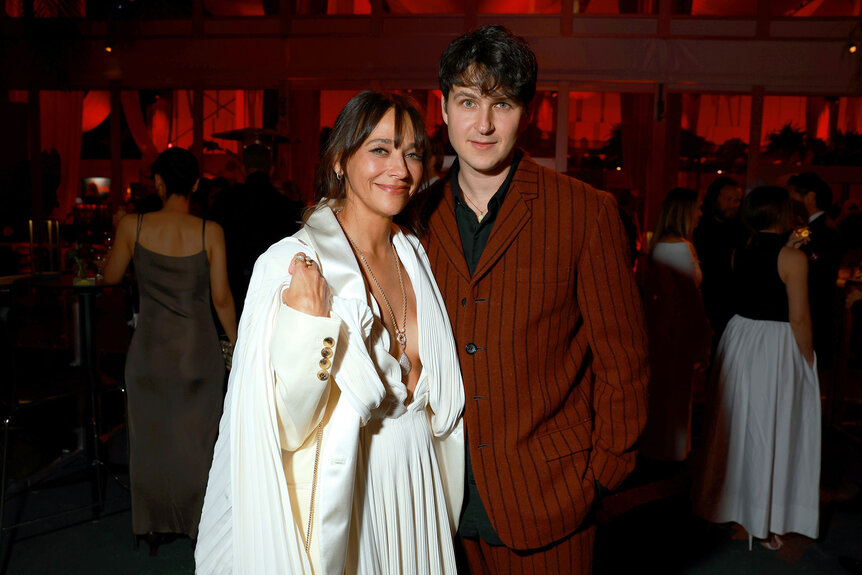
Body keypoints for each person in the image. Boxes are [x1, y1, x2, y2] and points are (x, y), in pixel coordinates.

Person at [195, 91, 464, 574]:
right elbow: (281, 426)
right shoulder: (288, 264)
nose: (400, 169)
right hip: (348, 489)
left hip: (416, 482)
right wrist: (308, 326)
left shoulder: (415, 255)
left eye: (412, 153)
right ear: (340, 160)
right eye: (380, 149)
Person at [421, 26, 648, 573]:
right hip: (434, 500)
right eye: (468, 101)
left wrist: (602, 474)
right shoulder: (411, 218)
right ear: (443, 107)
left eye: (502, 103)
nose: (483, 124)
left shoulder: (584, 213)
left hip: (550, 499)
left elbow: (624, 360)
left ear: (528, 112)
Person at [102, 147, 237, 553]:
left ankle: (153, 526)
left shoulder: (132, 225)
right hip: (197, 355)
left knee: (151, 442)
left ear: (158, 183)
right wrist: (239, 343)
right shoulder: (209, 231)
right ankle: (199, 524)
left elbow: (110, 278)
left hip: (149, 354)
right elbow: (221, 299)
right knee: (198, 443)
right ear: (196, 184)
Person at [695, 186, 820, 551]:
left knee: (738, 426)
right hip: (775, 346)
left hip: (741, 338)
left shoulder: (739, 252)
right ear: (781, 215)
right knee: (773, 427)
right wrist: (809, 360)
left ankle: (730, 504)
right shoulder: (792, 260)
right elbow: (799, 317)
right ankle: (764, 519)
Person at [638, 188, 711, 463]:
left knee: (663, 394)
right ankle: (671, 455)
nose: (700, 213)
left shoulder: (659, 244)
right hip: (678, 331)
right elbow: (690, 298)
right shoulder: (680, 246)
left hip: (662, 329)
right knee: (676, 396)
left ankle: (659, 449)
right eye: (697, 208)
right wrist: (702, 336)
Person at [214, 143, 304, 318]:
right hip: (272, 293)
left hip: (233, 288)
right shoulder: (286, 206)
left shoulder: (224, 201)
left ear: (242, 168)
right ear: (271, 169)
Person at [788, 171, 841, 368]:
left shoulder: (822, 230)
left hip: (814, 311)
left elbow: (817, 272)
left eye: (792, 195)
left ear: (810, 197)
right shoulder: (812, 227)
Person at [693, 177, 748, 347]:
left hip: (731, 307)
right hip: (703, 303)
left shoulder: (741, 231)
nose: (733, 205)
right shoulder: (699, 228)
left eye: (737, 200)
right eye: (728, 199)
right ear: (715, 198)